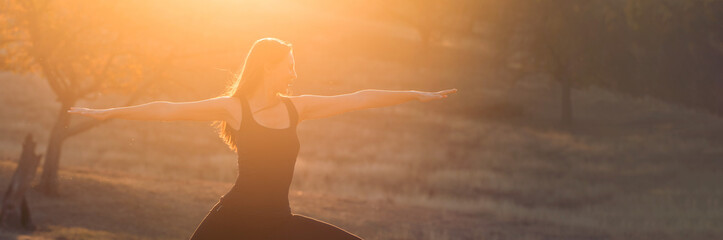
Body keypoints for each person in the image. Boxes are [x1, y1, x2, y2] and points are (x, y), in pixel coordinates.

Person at [68, 37, 457, 239]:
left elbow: (358, 99)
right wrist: (107, 112)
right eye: (289, 66)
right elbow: (167, 109)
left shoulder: (297, 107)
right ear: (269, 67)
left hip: (276, 222)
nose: (294, 73)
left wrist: (415, 94)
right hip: (234, 219)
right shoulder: (234, 108)